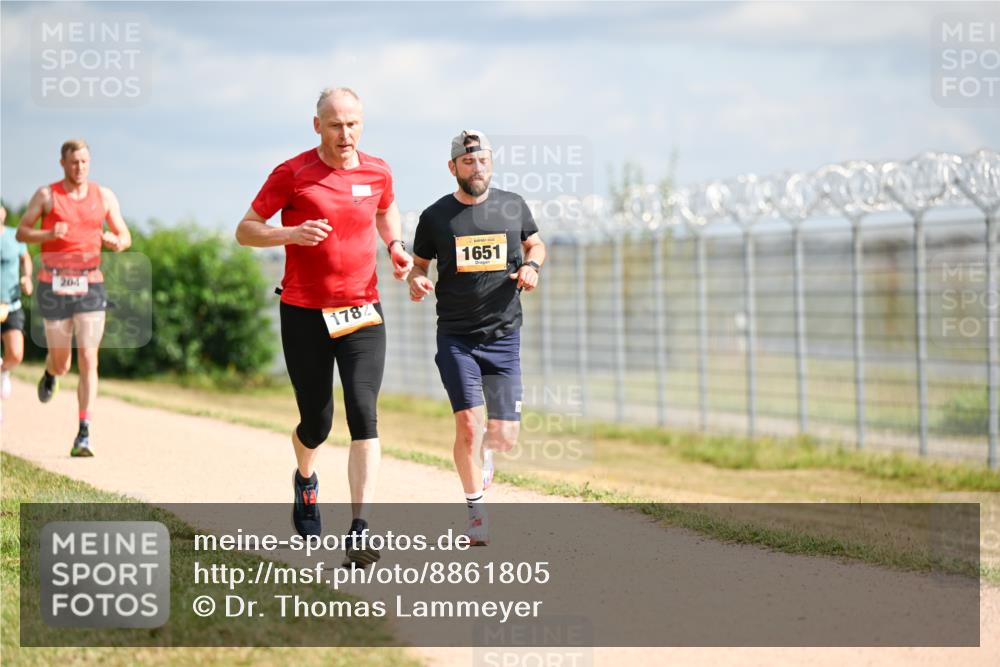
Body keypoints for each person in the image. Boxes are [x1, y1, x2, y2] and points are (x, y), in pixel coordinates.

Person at [236, 87, 413, 567]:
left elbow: (385, 209)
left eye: (352, 124)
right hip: (304, 313)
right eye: (335, 124)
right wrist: (290, 233)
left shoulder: (377, 170)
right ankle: (306, 480)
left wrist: (396, 245)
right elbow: (245, 229)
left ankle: (360, 528)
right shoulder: (292, 174)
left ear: (362, 124)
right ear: (318, 126)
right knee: (316, 423)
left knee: (363, 412)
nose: (345, 133)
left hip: (361, 311)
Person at [408, 130, 546, 545]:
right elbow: (418, 265)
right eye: (468, 162)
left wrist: (532, 267)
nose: (476, 168)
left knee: (503, 437)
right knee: (469, 424)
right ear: (453, 167)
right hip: (457, 337)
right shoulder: (435, 217)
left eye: (482, 161)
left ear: (491, 163)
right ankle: (476, 512)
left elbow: (536, 244)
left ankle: (486, 452)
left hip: (503, 335)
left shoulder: (512, 205)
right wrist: (416, 280)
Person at [16, 140, 131, 456]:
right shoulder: (47, 195)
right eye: (74, 162)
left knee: (89, 357)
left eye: (84, 162)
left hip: (90, 284)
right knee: (63, 362)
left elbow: (125, 235)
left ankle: (84, 433)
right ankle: (51, 372)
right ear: (62, 164)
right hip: (54, 285)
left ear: (89, 163)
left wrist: (116, 241)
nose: (79, 167)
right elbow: (22, 232)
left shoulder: (104, 196)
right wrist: (48, 234)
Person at [1, 204, 34, 412]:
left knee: (15, 354)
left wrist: (27, 277)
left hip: (11, 305)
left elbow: (25, 259)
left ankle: (3, 371)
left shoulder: (15, 236)